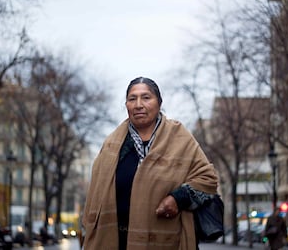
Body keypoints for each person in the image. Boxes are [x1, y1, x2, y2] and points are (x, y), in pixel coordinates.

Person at [82, 77, 219, 250]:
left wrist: (178, 198)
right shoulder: (112, 145)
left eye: (146, 97)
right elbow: (94, 196)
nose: (138, 104)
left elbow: (208, 179)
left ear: (159, 103)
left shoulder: (180, 138)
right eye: (132, 99)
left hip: (167, 242)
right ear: (127, 105)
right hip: (117, 242)